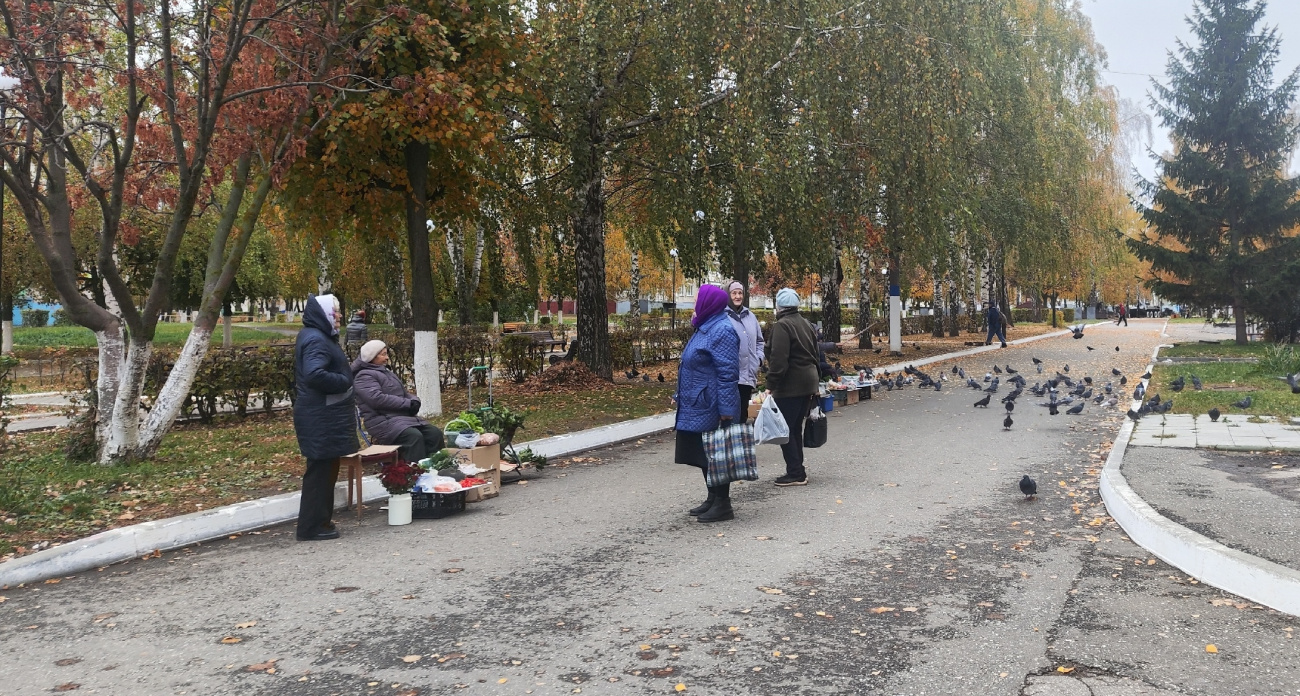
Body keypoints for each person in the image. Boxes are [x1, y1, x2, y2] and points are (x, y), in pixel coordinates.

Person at [292, 294, 358, 542]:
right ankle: (311, 527)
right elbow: (314, 374)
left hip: (322, 415)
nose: (340, 316)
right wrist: (345, 381)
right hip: (320, 416)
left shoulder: (316, 336)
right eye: (336, 311)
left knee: (326, 469)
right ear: (323, 314)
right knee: (320, 472)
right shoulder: (316, 340)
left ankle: (320, 522)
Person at [674, 284, 741, 523]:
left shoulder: (721, 330)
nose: (694, 303)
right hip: (699, 400)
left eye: (696, 299)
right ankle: (713, 498)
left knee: (716, 454)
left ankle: (723, 504)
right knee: (705, 453)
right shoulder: (705, 326)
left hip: (712, 404)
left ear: (708, 302)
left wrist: (726, 410)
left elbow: (728, 373)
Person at [352, 340, 445, 462]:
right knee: (413, 437)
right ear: (372, 357)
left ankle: (435, 470)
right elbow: (377, 399)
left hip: (401, 420)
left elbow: (404, 393)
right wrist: (407, 404)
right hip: (382, 422)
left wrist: (414, 400)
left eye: (386, 354)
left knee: (434, 434)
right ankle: (413, 473)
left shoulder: (386, 372)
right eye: (383, 354)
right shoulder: (364, 376)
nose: (387, 358)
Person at [765, 288, 821, 487]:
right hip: (808, 382)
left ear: (779, 306)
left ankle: (795, 472)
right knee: (795, 428)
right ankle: (799, 470)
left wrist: (770, 385)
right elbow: (816, 353)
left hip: (790, 385)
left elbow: (779, 360)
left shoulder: (783, 325)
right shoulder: (806, 323)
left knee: (785, 430)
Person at [724, 280, 764, 423]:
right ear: (728, 295)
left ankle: (739, 443)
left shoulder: (750, 316)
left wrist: (758, 360)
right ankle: (731, 444)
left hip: (747, 375)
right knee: (730, 417)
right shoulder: (723, 316)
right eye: (734, 293)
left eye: (740, 293)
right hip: (730, 376)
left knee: (742, 416)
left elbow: (760, 341)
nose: (737, 296)